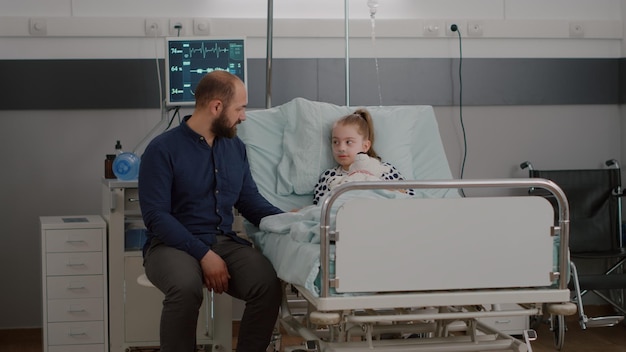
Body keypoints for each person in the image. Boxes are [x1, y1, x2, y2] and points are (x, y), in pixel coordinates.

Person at [138, 70, 284, 352]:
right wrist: (204, 255)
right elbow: (156, 217)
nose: (244, 116)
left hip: (223, 242)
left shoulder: (235, 147)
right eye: (240, 108)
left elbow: (249, 200)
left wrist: (288, 219)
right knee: (185, 288)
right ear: (216, 106)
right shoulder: (162, 150)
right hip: (170, 245)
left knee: (267, 285)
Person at [313, 108, 414, 205]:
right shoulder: (329, 176)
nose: (341, 148)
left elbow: (409, 198)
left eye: (349, 142)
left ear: (365, 146)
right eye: (336, 142)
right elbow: (319, 208)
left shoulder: (383, 170)